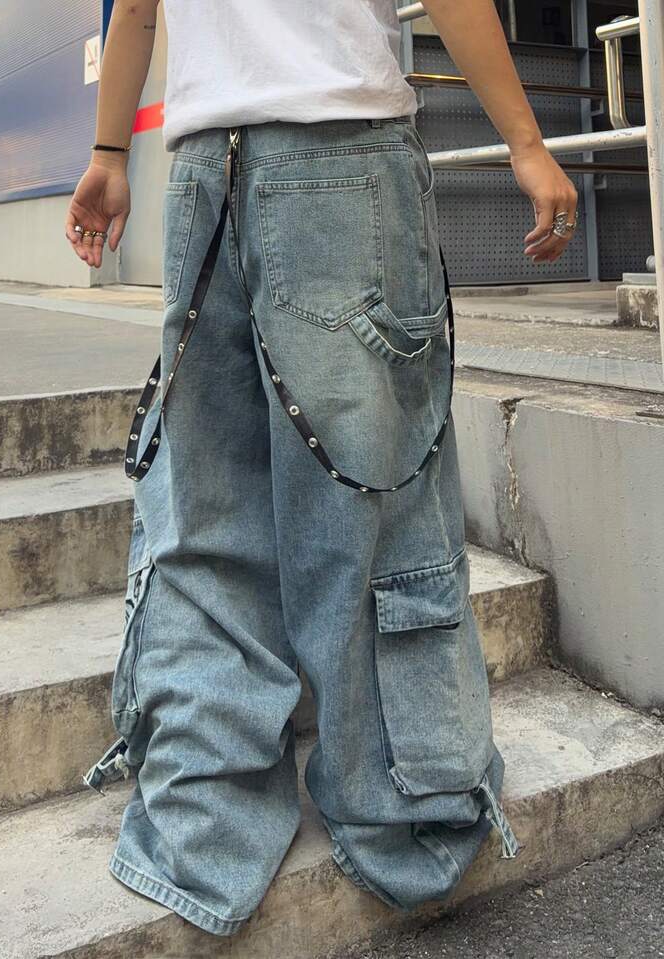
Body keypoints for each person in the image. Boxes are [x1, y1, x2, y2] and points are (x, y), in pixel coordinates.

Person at [68, 0, 577, 939]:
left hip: (201, 172)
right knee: (369, 499)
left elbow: (135, 7)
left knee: (209, 508)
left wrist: (107, 156)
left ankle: (205, 818)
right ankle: (401, 803)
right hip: (343, 156)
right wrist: (527, 143)